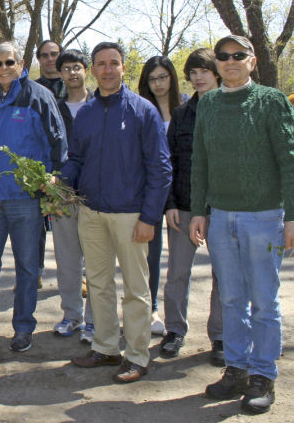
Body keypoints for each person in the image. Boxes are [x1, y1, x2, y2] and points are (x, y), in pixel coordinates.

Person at [189, 35, 294, 414]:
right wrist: (199, 210)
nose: (230, 61)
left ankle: (263, 375)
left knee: (263, 300)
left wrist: (293, 215)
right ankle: (237, 369)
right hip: (220, 217)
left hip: (264, 217)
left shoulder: (271, 101)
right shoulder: (210, 104)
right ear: (216, 63)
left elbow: (289, 159)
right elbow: (199, 160)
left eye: (238, 55)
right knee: (231, 299)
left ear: (251, 61)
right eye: (223, 56)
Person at [65, 41, 171, 383]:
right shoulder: (87, 114)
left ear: (124, 67)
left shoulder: (143, 111)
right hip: (91, 213)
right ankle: (106, 348)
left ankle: (138, 356)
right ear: (93, 69)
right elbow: (77, 161)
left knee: (137, 290)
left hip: (131, 216)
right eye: (101, 64)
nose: (108, 69)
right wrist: (59, 178)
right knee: (98, 284)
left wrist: (149, 217)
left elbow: (160, 168)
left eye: (114, 63)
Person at [0, 41, 67, 352]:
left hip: (26, 199)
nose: (4, 68)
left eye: (10, 62)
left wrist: (55, 178)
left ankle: (23, 327)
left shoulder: (38, 97)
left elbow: (58, 142)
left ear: (21, 64)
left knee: (27, 267)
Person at [160, 49, 223, 362]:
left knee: (223, 275)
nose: (198, 77)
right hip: (184, 206)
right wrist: (169, 203)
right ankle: (175, 331)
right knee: (178, 273)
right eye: (193, 72)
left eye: (204, 71)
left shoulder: (228, 110)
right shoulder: (182, 114)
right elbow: (168, 162)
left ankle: (221, 337)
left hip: (222, 208)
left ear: (217, 73)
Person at [136, 56, 185, 337]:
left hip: (182, 195)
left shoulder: (187, 107)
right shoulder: (142, 110)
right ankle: (151, 309)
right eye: (152, 79)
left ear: (172, 78)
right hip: (151, 193)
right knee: (149, 256)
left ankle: (177, 320)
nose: (158, 84)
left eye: (162, 77)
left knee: (178, 262)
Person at [49, 49, 94, 342]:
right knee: (67, 260)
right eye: (66, 68)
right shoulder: (54, 106)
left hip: (97, 194)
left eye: (77, 67)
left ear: (85, 70)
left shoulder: (101, 104)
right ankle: (72, 316)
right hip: (62, 193)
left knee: (97, 261)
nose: (72, 73)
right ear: (60, 73)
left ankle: (94, 321)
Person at [35, 39, 64, 286]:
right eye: (44, 55)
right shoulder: (32, 89)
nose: (50, 59)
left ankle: (78, 274)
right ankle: (36, 272)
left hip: (68, 164)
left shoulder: (72, 85)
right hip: (39, 164)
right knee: (37, 224)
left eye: (54, 54)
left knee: (69, 224)